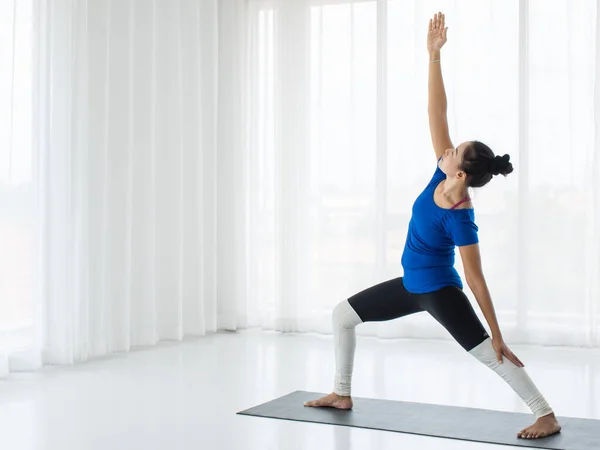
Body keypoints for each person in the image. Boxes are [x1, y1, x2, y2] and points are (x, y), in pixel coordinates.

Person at [304, 12, 562, 441]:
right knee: (342, 316)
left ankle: (545, 413)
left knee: (488, 353)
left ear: (461, 175)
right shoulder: (441, 176)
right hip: (410, 284)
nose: (446, 149)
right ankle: (342, 393)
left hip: (439, 292)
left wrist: (498, 333)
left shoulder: (461, 217)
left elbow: (476, 280)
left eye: (454, 152)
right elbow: (435, 109)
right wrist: (433, 56)